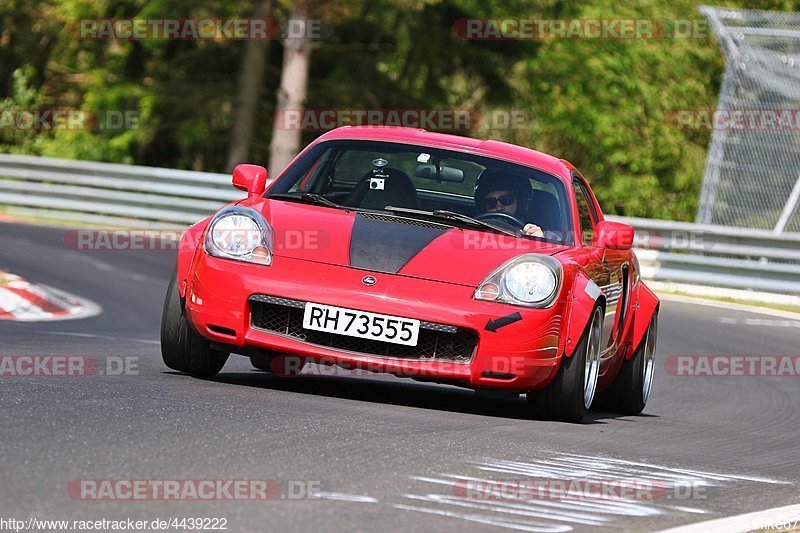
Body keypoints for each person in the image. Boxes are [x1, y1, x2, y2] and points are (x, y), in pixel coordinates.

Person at [474, 171, 544, 238]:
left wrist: (538, 239)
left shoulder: (533, 232)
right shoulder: (473, 232)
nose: (499, 207)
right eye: (491, 203)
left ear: (521, 203)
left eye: (506, 200)